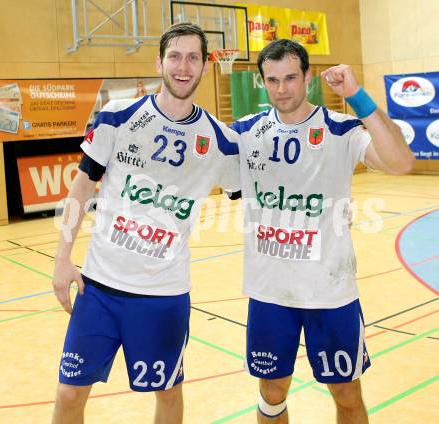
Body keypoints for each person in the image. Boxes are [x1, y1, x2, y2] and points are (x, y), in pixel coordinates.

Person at [51, 23, 239, 424]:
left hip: (163, 294)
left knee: (168, 394)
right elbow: (81, 189)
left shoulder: (222, 142)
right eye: (175, 56)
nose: (183, 66)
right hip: (99, 287)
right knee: (69, 394)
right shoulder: (119, 116)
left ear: (206, 65)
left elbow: (261, 190)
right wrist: (62, 259)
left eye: (193, 57)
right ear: (159, 62)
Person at [230, 39, 414, 423]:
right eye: (273, 80)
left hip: (330, 294)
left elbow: (400, 162)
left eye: (291, 78)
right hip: (270, 294)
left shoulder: (341, 129)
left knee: (347, 394)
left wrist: (357, 97)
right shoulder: (244, 133)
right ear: (262, 83)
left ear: (309, 77)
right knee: (271, 391)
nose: (283, 89)